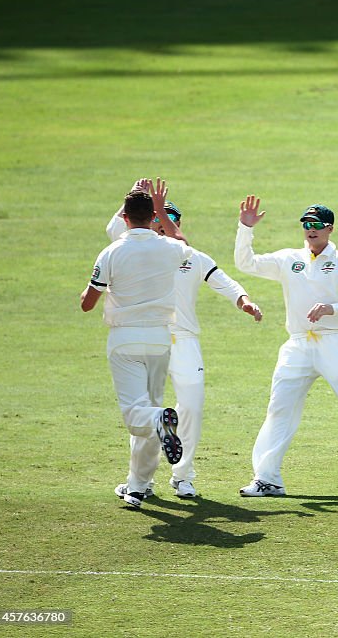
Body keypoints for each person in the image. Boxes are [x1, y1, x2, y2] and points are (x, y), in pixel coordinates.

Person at [234, 196, 338, 495]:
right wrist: (245, 229)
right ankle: (267, 478)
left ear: (330, 229)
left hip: (332, 342)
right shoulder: (289, 259)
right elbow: (245, 263)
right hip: (297, 344)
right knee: (279, 409)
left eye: (316, 225)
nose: (310, 230)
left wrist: (332, 308)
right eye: (306, 225)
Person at [105, 179, 263, 499]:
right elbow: (114, 228)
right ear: (149, 222)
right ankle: (140, 482)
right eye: (157, 218)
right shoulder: (136, 250)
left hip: (185, 339)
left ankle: (182, 475)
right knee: (149, 411)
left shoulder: (189, 255)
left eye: (169, 219)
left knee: (191, 405)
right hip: (152, 336)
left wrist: (244, 300)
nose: (163, 225)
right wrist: (133, 198)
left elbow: (224, 282)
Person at [81, 179, 191, 509]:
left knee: (138, 417)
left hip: (125, 339)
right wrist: (161, 208)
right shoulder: (169, 247)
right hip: (159, 339)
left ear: (125, 218)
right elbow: (183, 241)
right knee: (153, 413)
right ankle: (138, 485)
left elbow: (88, 303)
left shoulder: (112, 251)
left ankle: (157, 425)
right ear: (153, 216)